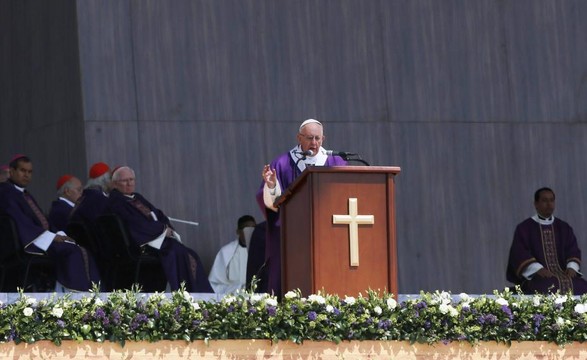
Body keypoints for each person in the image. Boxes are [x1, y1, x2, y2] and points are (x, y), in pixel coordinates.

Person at [256, 119, 347, 295]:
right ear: (299, 138)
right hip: (293, 235)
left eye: (317, 138)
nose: (314, 143)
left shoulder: (336, 162)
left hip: (328, 233)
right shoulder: (282, 164)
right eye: (309, 138)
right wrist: (272, 186)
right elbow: (273, 205)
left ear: (323, 139)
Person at [0, 155, 101, 291]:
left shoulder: (23, 193)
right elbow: (21, 223)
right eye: (22, 171)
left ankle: (90, 292)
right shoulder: (6, 193)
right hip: (26, 243)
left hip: (39, 238)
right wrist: (52, 237)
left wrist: (59, 234)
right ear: (11, 171)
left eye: (30, 172)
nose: (26, 175)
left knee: (80, 249)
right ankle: (71, 294)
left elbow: (42, 220)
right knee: (71, 251)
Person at [105, 166, 213, 292]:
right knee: (182, 253)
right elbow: (135, 224)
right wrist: (162, 229)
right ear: (114, 184)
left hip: (156, 238)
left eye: (132, 179)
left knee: (188, 254)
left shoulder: (136, 197)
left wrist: (167, 227)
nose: (129, 183)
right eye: (124, 181)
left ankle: (196, 293)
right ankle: (188, 293)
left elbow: (157, 213)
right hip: (143, 244)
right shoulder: (117, 202)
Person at [507, 187, 587, 295]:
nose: (549, 204)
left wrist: (572, 267)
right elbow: (519, 253)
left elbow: (572, 249)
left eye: (551, 200)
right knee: (546, 287)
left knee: (582, 286)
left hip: (564, 273)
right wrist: (538, 269)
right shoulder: (525, 228)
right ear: (536, 204)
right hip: (538, 276)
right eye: (544, 201)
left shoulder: (563, 227)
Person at [208, 215, 256, 295]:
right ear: (238, 231)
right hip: (232, 299)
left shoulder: (262, 251)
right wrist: (239, 288)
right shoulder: (226, 252)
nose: (250, 232)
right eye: (247, 228)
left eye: (253, 228)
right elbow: (214, 284)